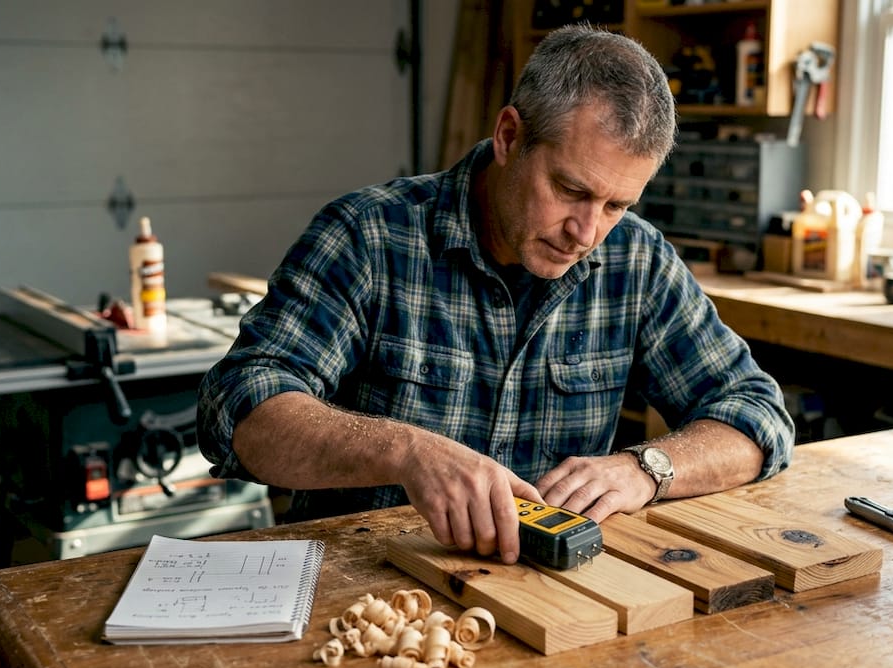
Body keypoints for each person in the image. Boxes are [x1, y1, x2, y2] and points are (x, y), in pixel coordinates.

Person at [198, 25, 794, 567]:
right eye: (570, 189)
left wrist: (648, 468)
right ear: (510, 136)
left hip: (546, 594)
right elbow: (239, 409)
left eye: (616, 205)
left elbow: (757, 415)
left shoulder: (637, 260)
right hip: (365, 587)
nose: (586, 232)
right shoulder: (368, 237)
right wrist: (404, 450)